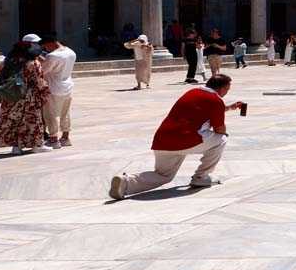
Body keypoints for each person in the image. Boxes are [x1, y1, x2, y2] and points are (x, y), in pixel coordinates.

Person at [109, 73, 244, 199]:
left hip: (162, 141)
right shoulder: (216, 100)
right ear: (221, 88)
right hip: (187, 140)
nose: (227, 92)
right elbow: (220, 129)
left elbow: (202, 110)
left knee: (163, 175)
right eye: (227, 89)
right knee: (222, 139)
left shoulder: (192, 92)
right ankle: (201, 177)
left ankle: (125, 183)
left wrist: (227, 108)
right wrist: (222, 125)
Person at [0, 38, 51, 154]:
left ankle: (16, 147)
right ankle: (36, 145)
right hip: (29, 96)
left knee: (14, 121)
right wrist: (44, 93)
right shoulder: (33, 63)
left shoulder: (8, 61)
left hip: (11, 96)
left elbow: (1, 75)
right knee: (32, 121)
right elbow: (39, 80)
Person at [40, 33, 77, 148]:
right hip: (67, 85)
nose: (46, 49)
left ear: (51, 43)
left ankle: (53, 139)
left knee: (51, 114)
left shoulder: (53, 56)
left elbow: (44, 71)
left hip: (53, 87)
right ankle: (65, 137)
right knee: (65, 113)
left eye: (46, 46)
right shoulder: (71, 52)